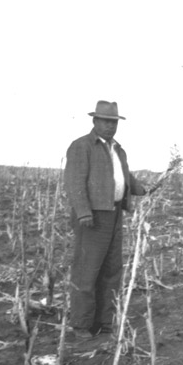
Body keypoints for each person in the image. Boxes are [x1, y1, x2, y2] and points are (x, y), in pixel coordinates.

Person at [63, 100, 149, 340]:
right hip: (92, 216)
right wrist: (83, 212)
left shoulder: (117, 150)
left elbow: (124, 177)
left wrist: (142, 189)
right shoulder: (82, 146)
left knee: (111, 270)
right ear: (94, 121)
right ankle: (81, 324)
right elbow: (75, 182)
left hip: (113, 215)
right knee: (87, 271)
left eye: (113, 122)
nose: (110, 126)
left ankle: (104, 322)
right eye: (105, 121)